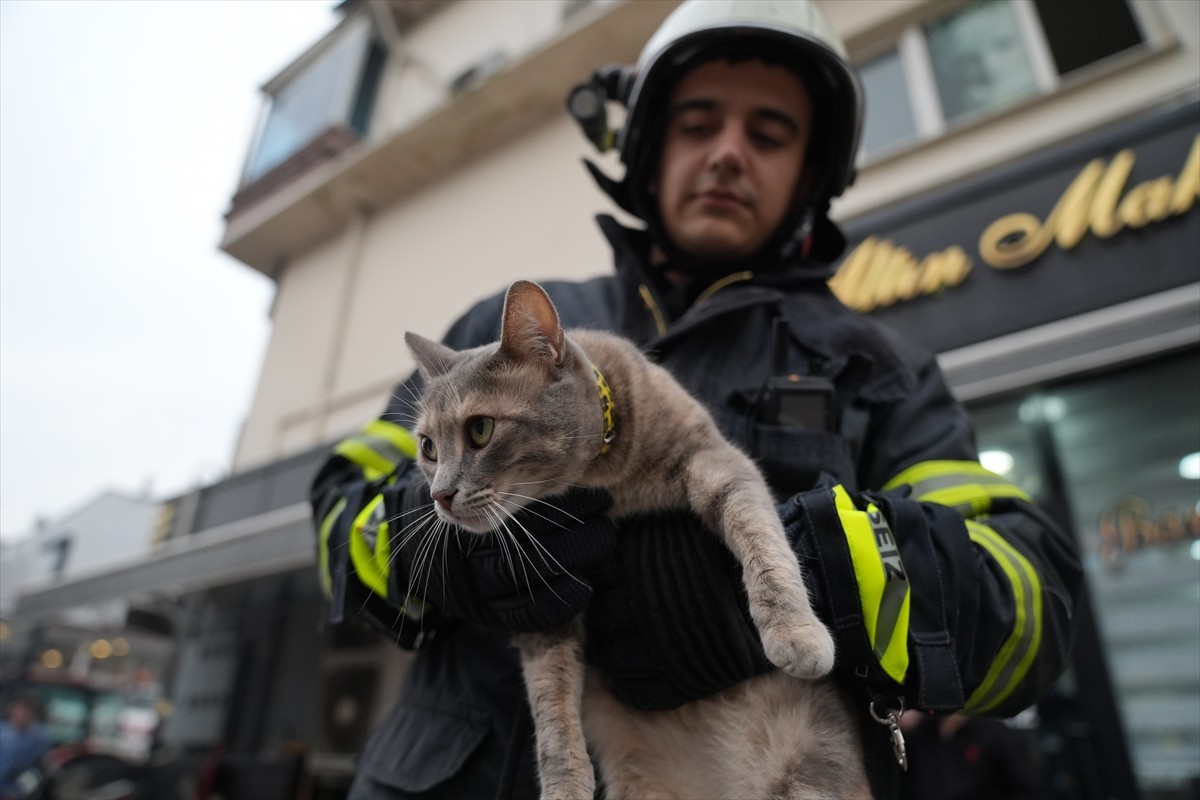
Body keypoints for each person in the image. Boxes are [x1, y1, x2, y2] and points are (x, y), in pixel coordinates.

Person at [310, 1, 1083, 798]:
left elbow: (1031, 606)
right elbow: (338, 510)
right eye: (697, 124)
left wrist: (798, 574)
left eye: (769, 134)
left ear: (812, 170)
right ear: (645, 146)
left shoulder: (877, 369)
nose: (726, 154)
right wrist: (444, 556)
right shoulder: (491, 338)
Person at [0, 695, 51, 798]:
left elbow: (37, 771)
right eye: (20, 710)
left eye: (27, 713)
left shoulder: (39, 738)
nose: (22, 715)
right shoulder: (3, 731)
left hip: (12, 790)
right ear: (13, 711)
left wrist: (16, 791)